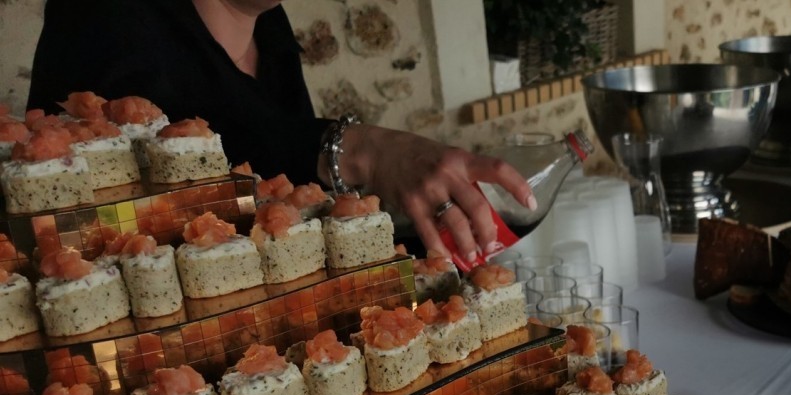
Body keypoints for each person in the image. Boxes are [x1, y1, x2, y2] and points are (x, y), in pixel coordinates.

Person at [25, 0, 534, 263]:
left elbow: (275, 192)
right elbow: (171, 182)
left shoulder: (268, 26)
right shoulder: (102, 14)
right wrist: (360, 151)